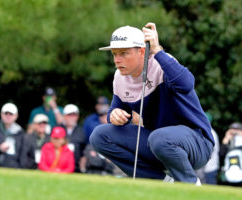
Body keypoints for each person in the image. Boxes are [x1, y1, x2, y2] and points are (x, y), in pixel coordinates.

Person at [89, 23, 214, 185]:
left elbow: (186, 84)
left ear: (142, 51)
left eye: (124, 53)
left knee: (160, 138)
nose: (117, 60)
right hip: (158, 144)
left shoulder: (162, 63)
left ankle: (189, 185)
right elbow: (117, 109)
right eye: (114, 54)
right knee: (99, 135)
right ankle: (161, 182)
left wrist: (158, 51)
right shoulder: (119, 77)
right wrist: (115, 115)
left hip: (197, 143)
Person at [195, 113, 220, 185]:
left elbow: (207, 152)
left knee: (210, 191)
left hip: (208, 169)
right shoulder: (205, 131)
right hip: (203, 168)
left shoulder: (210, 133)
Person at [62, 104, 86, 172]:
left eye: (74, 115)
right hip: (59, 165)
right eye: (69, 115)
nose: (72, 117)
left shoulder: (81, 131)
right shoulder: (58, 128)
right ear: (64, 116)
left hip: (76, 167)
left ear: (77, 117)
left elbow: (84, 151)